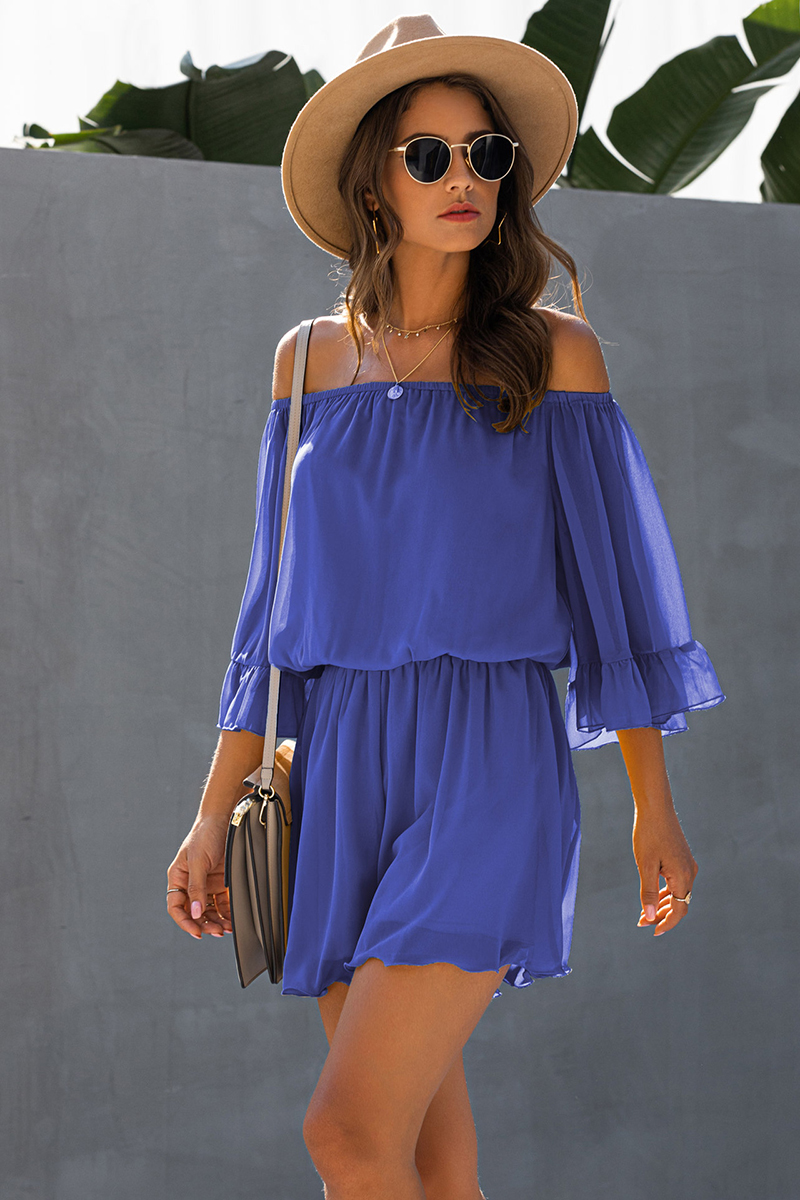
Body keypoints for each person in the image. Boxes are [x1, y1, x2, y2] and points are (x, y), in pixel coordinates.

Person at [166, 15, 726, 1199]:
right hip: (335, 763)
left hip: (487, 758)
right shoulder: (305, 363)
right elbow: (269, 621)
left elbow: (616, 598)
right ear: (374, 183)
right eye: (428, 156)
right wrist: (211, 815)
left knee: (345, 1136)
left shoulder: (553, 355)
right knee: (423, 1156)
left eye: (486, 154)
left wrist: (650, 806)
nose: (463, 178)